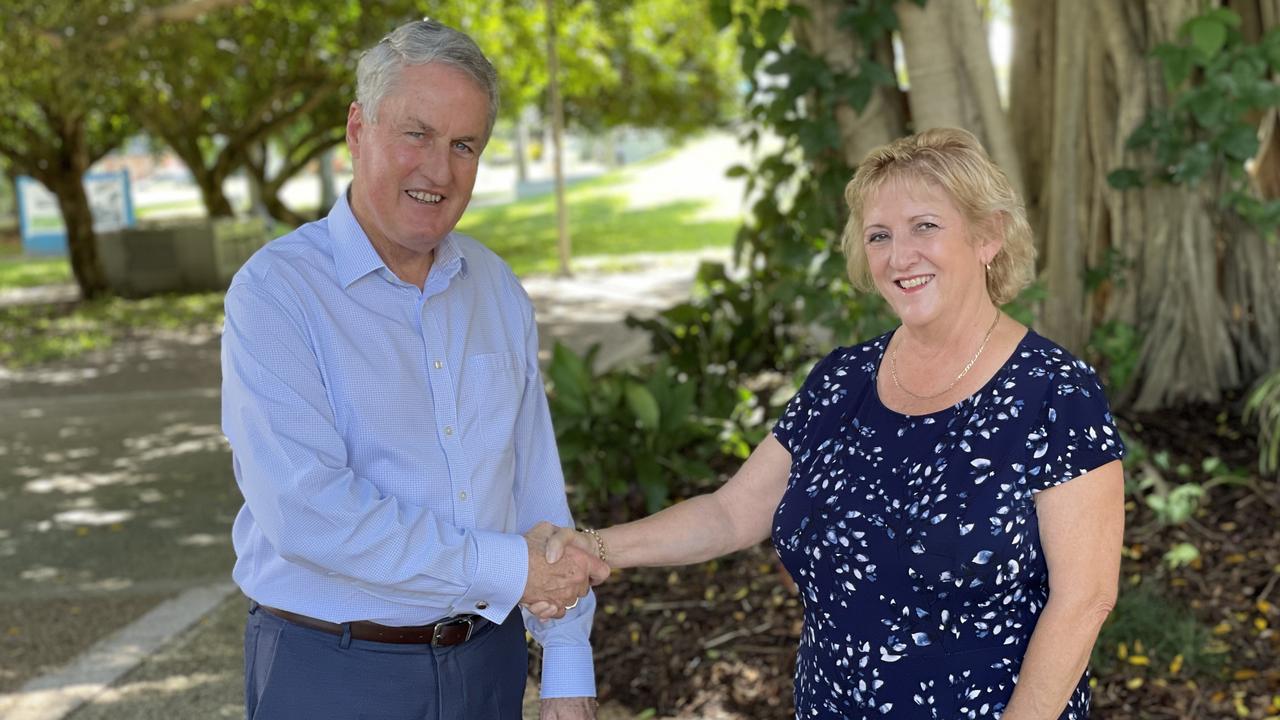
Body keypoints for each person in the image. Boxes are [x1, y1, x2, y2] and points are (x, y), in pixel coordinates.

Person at [540, 128, 1125, 719]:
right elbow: (732, 512)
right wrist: (597, 547)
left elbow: (1085, 599)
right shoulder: (842, 380)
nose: (900, 256)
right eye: (879, 236)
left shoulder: (1054, 391)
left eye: (925, 225)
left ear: (988, 237)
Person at [221, 19, 606, 720]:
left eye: (465, 145)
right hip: (333, 673)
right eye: (416, 134)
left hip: (487, 667)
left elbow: (534, 487)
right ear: (357, 128)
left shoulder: (495, 286)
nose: (439, 169)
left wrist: (567, 663)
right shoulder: (276, 293)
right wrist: (510, 568)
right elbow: (307, 510)